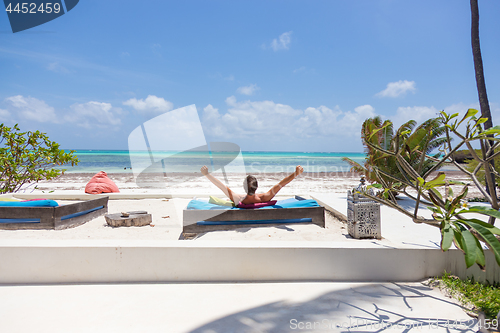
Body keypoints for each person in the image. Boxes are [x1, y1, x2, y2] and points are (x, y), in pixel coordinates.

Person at [200, 165, 304, 205]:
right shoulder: (264, 198)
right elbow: (281, 184)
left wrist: (207, 174)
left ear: (244, 187)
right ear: (256, 187)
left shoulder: (238, 199)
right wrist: (296, 173)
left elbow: (221, 186)